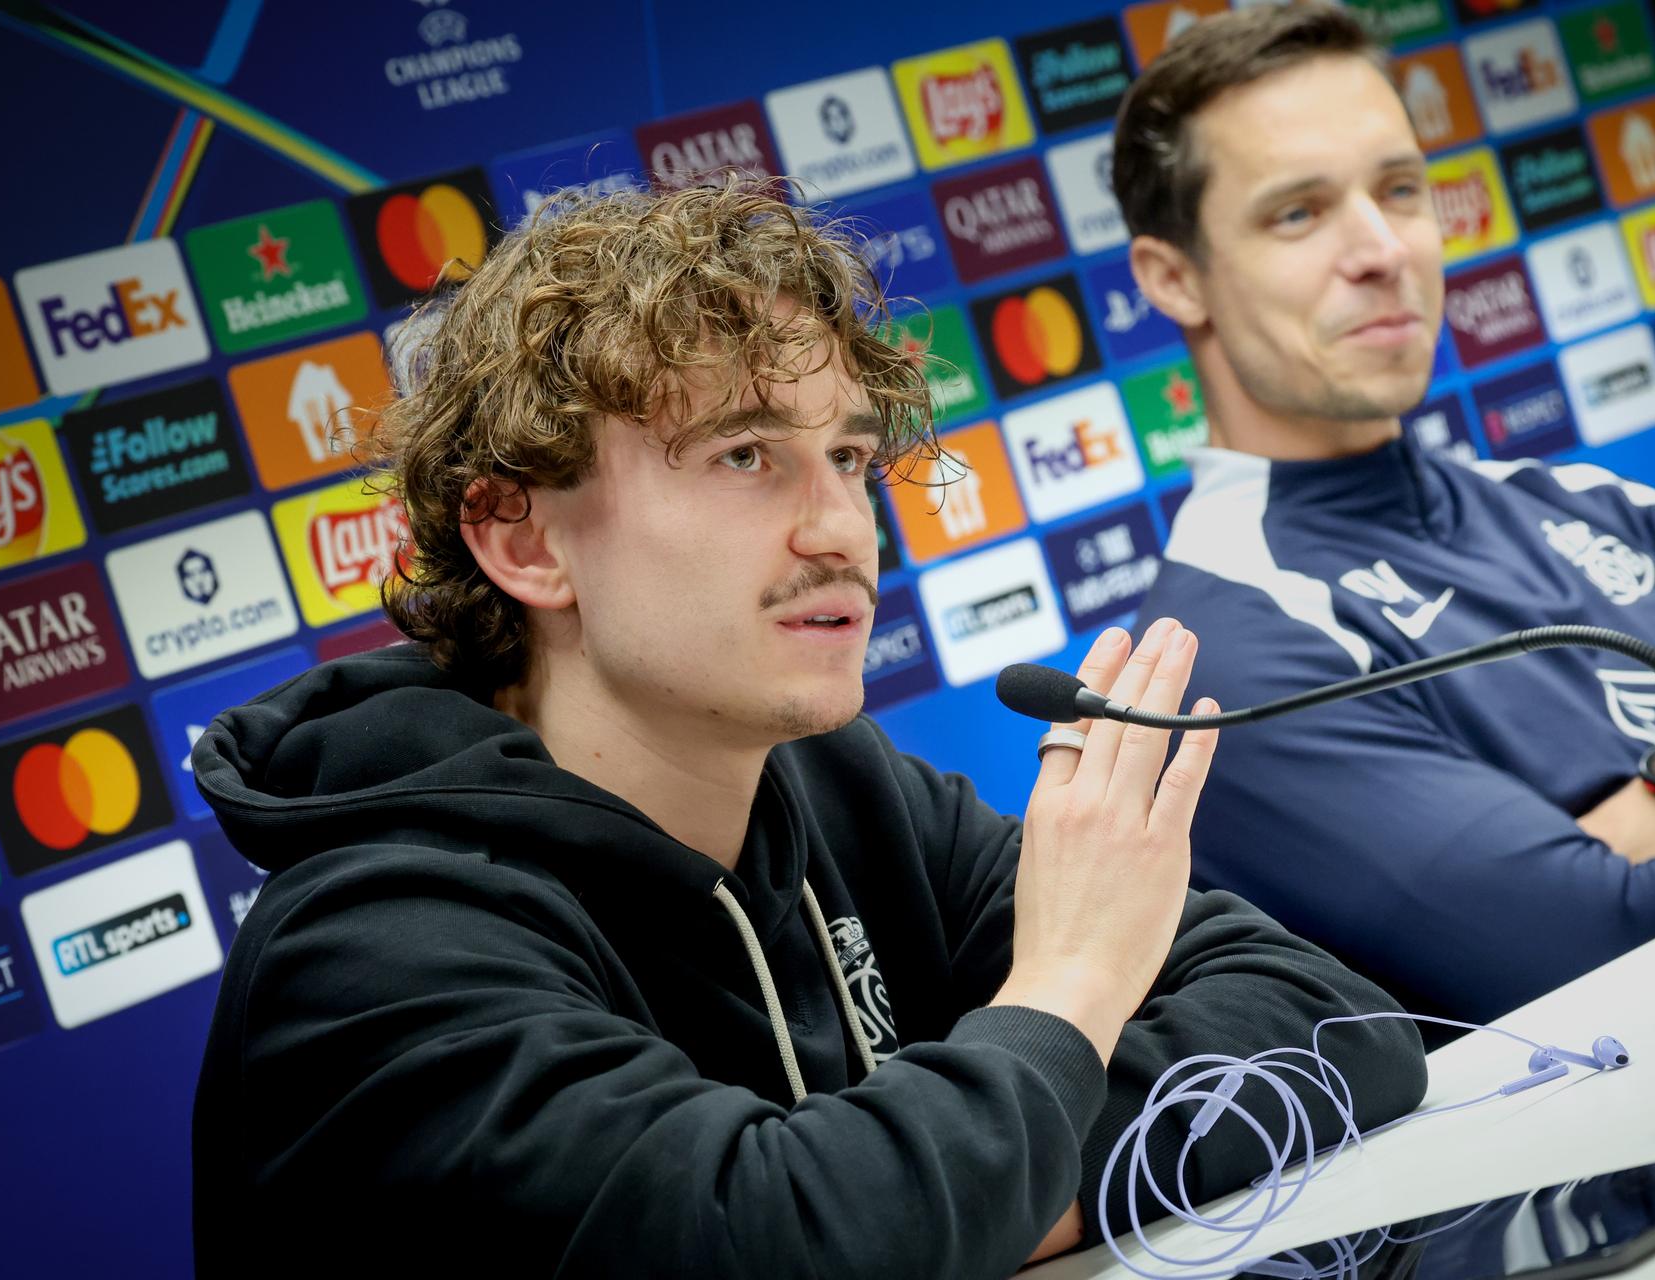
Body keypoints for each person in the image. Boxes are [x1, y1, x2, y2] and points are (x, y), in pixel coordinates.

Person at [187, 182, 1428, 1278]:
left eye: (848, 454)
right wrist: (1072, 988)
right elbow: (787, 1241)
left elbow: (1336, 1020)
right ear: (523, 537)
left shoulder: (836, 784)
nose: (841, 525)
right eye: (743, 455)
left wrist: (967, 1199)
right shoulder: (367, 954)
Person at [1113, 1, 1655, 1026]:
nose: (1381, 249)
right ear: (1174, 278)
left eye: (1400, 189)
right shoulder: (1218, 647)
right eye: (1299, 213)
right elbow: (1586, 944)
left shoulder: (1599, 504)